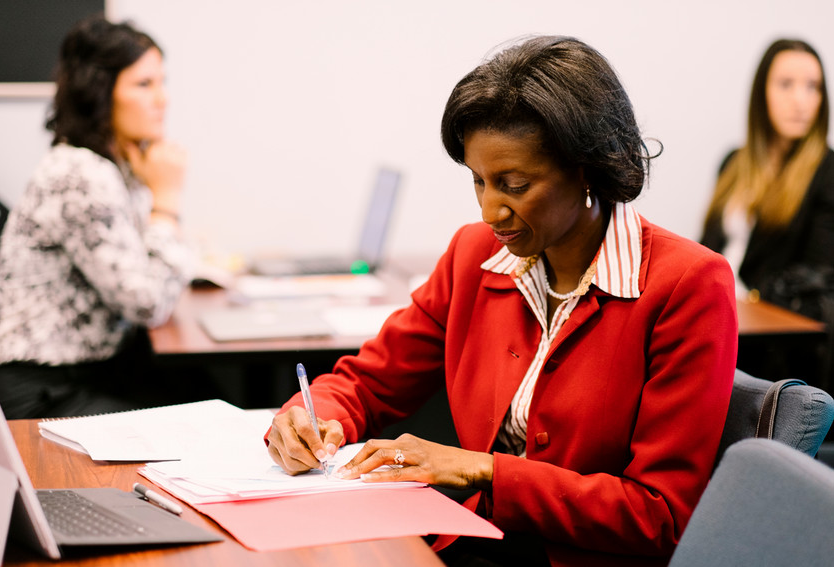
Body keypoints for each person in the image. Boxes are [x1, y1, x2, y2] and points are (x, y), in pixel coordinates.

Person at [266, 36, 737, 566]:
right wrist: (311, 418)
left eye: (514, 185)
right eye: (478, 181)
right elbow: (368, 383)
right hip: (474, 544)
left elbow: (660, 517)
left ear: (587, 169)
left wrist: (480, 469)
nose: (491, 211)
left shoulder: (688, 284)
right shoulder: (475, 256)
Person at [0, 15, 197, 419]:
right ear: (100, 91)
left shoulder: (114, 167)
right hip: (40, 390)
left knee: (204, 400)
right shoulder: (78, 173)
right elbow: (148, 302)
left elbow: (151, 280)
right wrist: (167, 201)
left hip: (82, 375)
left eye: (162, 82)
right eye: (144, 84)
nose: (162, 99)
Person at [701, 38, 834, 385]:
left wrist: (749, 298)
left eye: (813, 87)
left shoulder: (827, 171)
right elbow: (706, 250)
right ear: (762, 94)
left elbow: (818, 274)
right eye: (786, 84)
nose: (801, 100)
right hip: (718, 312)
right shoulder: (734, 163)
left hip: (771, 338)